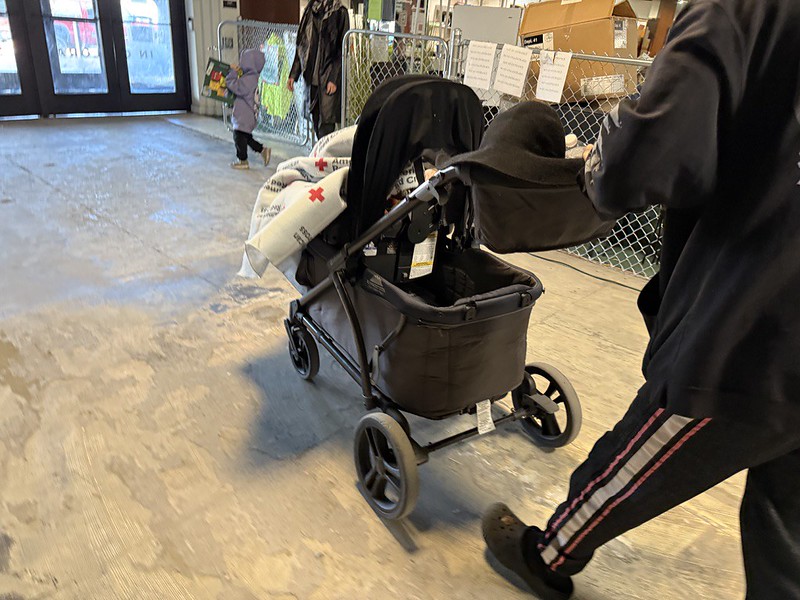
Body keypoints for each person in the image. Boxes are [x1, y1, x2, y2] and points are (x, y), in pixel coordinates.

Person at [481, 0, 800, 598]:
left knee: (650, 446)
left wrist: (594, 162)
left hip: (765, 313)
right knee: (788, 524)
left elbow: (651, 146)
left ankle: (549, 554)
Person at [288, 0, 349, 139]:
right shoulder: (310, 10)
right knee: (315, 122)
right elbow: (301, 44)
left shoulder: (340, 13)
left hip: (328, 77)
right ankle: (320, 157)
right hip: (312, 77)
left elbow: (342, 50)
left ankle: (325, 158)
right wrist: (294, 73)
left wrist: (334, 78)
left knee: (326, 125)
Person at [226, 48, 272, 170]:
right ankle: (262, 149)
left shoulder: (248, 79)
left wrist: (232, 73)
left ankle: (243, 160)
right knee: (246, 137)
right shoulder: (254, 78)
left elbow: (233, 85)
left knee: (238, 136)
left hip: (243, 115)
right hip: (248, 114)